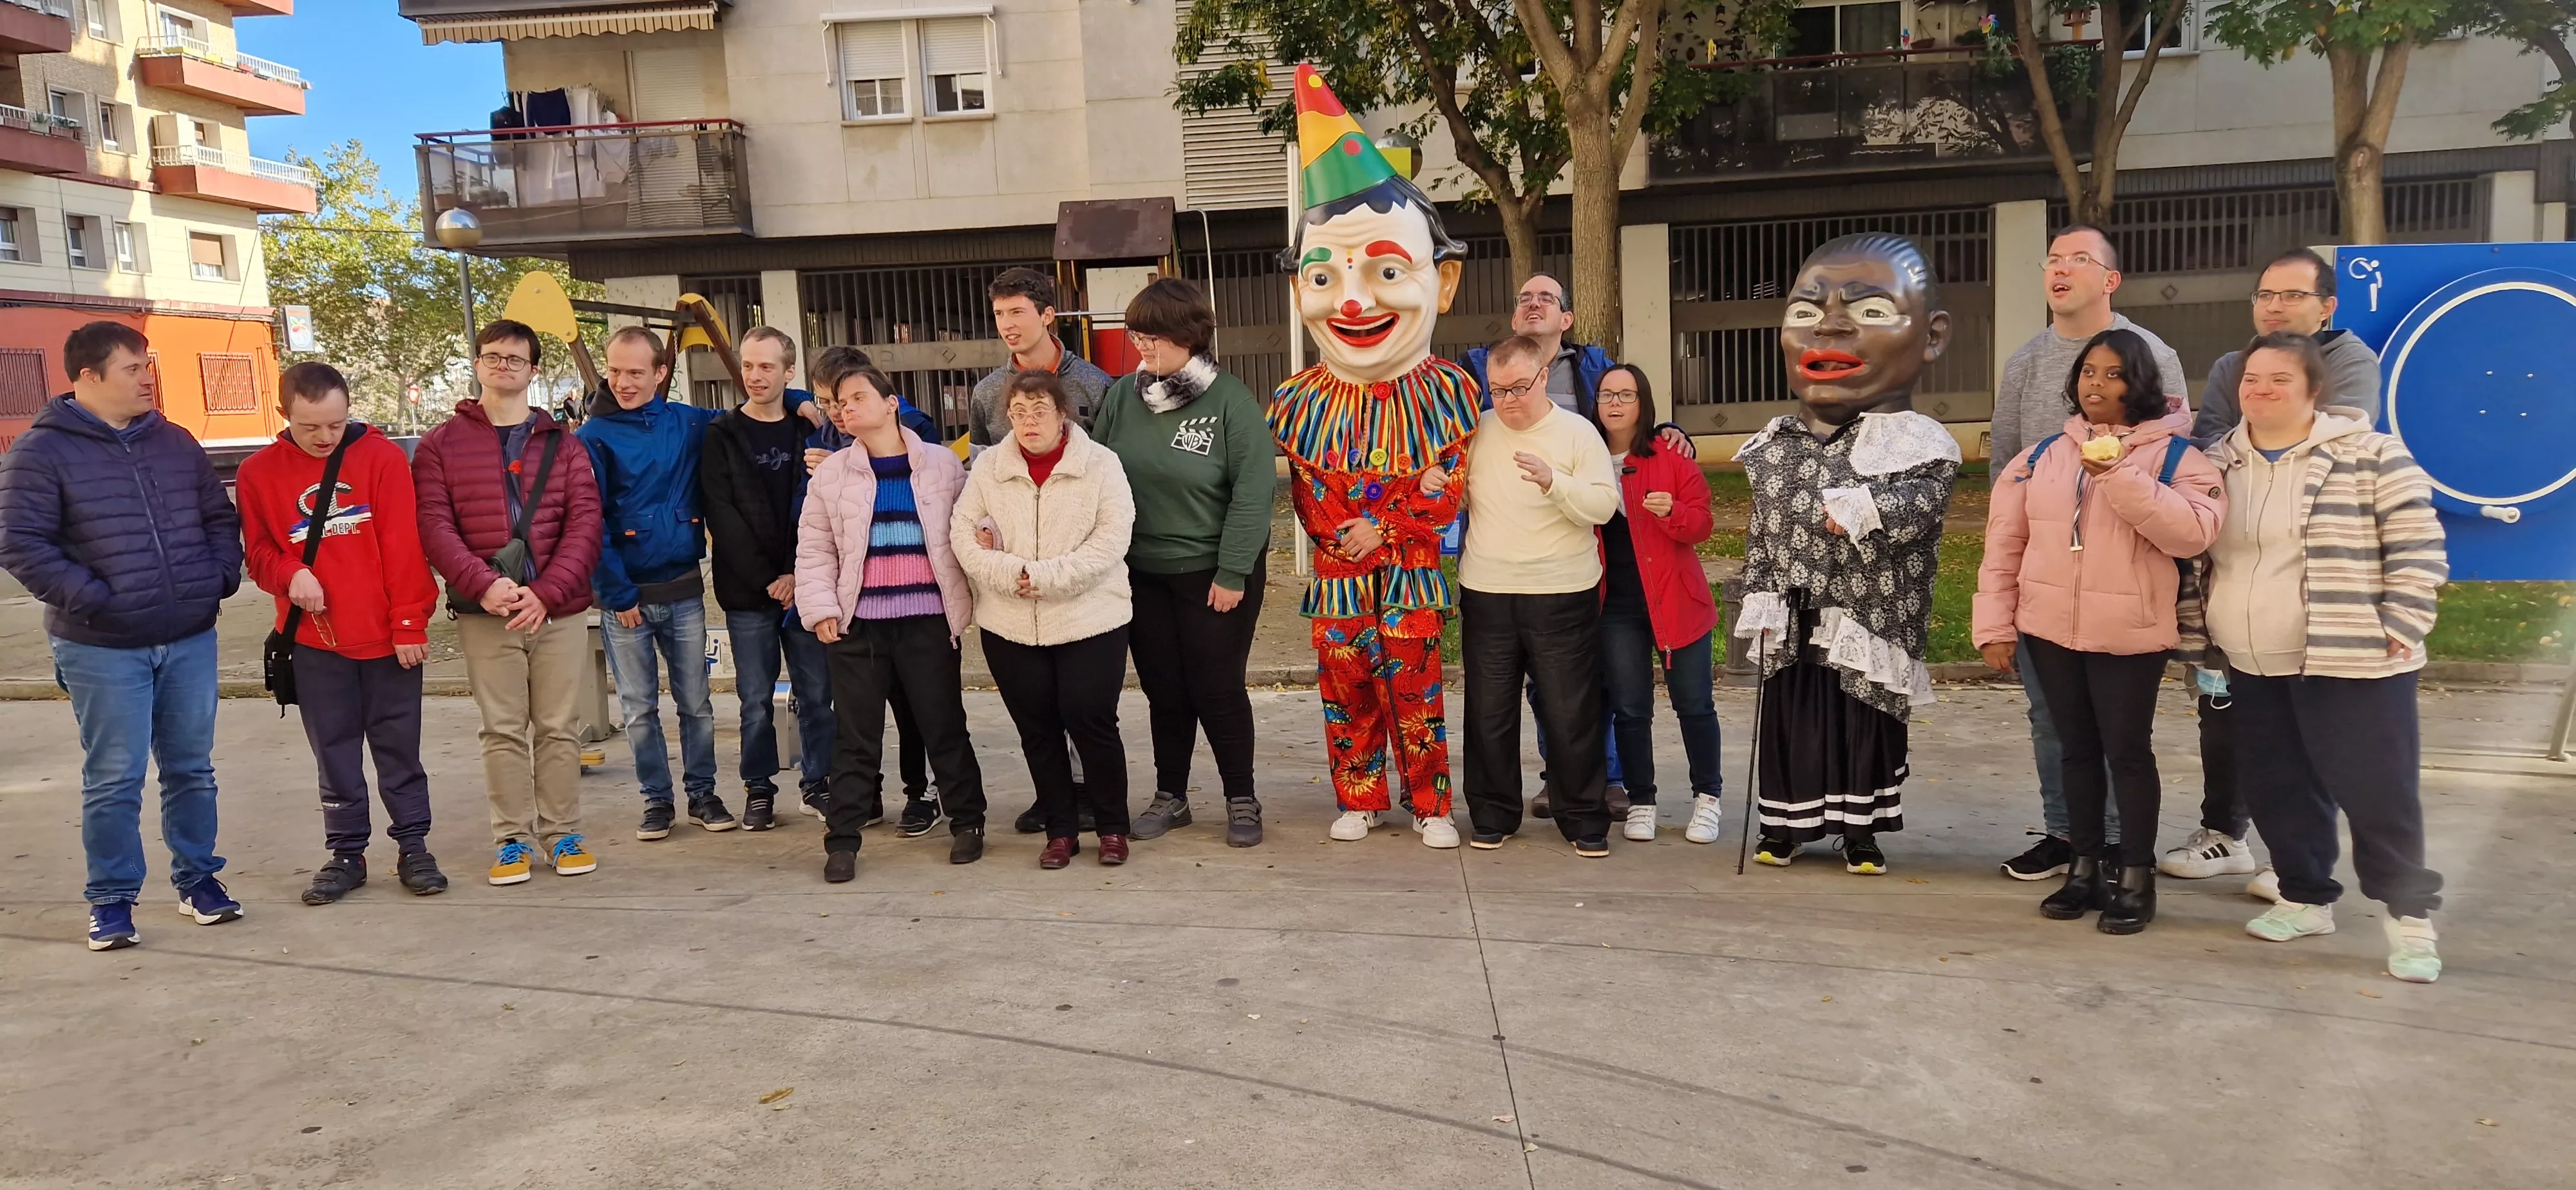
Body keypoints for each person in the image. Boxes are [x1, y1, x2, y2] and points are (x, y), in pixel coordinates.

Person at [2178, 330, 2449, 982]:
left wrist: (2403, 620)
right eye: (2251, 380)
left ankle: (2410, 920)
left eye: (2279, 380)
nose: (2261, 391)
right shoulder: (2216, 465)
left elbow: (2418, 546)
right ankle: (2304, 896)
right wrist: (2197, 634)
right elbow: (2196, 556)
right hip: (2250, 657)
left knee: (2377, 793)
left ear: (2313, 390)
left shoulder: (2371, 454)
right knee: (2278, 786)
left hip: (2351, 656)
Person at [1266, 66, 1480, 849]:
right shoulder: (1295, 401)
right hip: (1337, 578)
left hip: (1413, 568)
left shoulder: (1453, 391)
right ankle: (1360, 795)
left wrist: (1383, 531)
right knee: (1346, 687)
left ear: (1441, 280)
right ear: (1301, 291)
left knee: (1417, 690)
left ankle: (1429, 805)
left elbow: (1445, 488)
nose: (1353, 302)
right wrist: (1348, 536)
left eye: (1386, 272)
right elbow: (1308, 492)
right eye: (1325, 277)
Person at [0, 321, 243, 950]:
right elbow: (20, 543)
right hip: (100, 645)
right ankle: (111, 901)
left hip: (189, 634)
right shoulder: (40, 452)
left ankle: (199, 882)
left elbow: (218, 516)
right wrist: (95, 598)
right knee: (115, 775)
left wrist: (216, 578)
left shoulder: (176, 441)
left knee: (192, 768)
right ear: (88, 376)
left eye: (147, 366)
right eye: (133, 368)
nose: (147, 378)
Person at [1975, 329, 2224, 933]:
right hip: (2048, 628)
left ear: (2138, 383)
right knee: (2076, 752)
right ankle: (2082, 867)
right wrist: (1995, 625)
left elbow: (2193, 533)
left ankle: (2135, 875)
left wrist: (2117, 475)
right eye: (2089, 372)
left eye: (2113, 374)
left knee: (2127, 755)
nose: (2096, 384)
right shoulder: (2039, 456)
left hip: (2130, 634)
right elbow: (2005, 545)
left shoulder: (2176, 458)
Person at [1736, 233, 1959, 876]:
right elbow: (1763, 532)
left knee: (1862, 719)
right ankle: (1786, 826)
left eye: (1867, 310)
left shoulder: (1919, 442)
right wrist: (1761, 593)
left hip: (1869, 617)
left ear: (1932, 336)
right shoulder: (1774, 443)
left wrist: (1864, 511)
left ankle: (1859, 833)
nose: (1829, 326)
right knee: (1795, 718)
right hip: (1796, 615)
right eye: (1805, 313)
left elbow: (1920, 506)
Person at [2166, 247, 2383, 894]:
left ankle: (2296, 860)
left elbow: (2322, 439)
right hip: (2232, 568)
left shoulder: (2349, 362)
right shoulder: (2233, 365)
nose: (2275, 307)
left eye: (2291, 295)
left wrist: (2254, 442)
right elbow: (2209, 454)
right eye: (2265, 295)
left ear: (2326, 306)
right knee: (2224, 707)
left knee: (2306, 722)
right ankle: (2224, 835)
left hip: (2311, 574)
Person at [1990, 225, 2187, 883]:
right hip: (2048, 580)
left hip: (2124, 576)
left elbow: (2180, 456)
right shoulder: (2024, 362)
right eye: (2051, 258)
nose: (2060, 269)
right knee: (2054, 718)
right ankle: (2066, 834)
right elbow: (2005, 478)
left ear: (2110, 280)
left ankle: (2117, 845)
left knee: (2120, 733)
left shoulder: (2151, 352)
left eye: (2079, 258)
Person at [238, 363, 447, 903]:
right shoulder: (258, 473)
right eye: (311, 427)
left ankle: (414, 847)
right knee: (334, 753)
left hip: (388, 638)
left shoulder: (380, 458)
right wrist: (291, 574)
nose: (326, 437)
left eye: (336, 423)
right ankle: (347, 853)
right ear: (285, 416)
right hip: (314, 642)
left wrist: (409, 621)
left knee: (399, 749)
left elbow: (404, 546)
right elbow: (258, 554)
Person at [415, 319, 605, 886]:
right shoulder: (439, 446)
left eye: (514, 359)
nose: (502, 366)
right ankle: (511, 840)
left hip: (557, 608)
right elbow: (434, 524)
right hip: (487, 611)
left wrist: (546, 593)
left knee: (558, 726)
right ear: (476, 364)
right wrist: (483, 584)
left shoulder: (564, 445)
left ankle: (563, 832)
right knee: (501, 728)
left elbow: (586, 524)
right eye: (492, 356)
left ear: (534, 370)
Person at [1088, 278, 1276, 847]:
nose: (1142, 347)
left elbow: (1253, 491)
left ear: (1189, 335)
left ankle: (1241, 798)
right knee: (1163, 689)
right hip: (1142, 573)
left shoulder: (1230, 401)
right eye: (1136, 336)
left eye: (1153, 337)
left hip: (1212, 572)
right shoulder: (1123, 396)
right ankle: (1172, 796)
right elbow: (1098, 473)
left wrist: (1232, 571)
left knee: (1216, 687)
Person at [797, 350, 988, 881]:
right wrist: (821, 611)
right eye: (838, 403)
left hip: (929, 620)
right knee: (855, 736)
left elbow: (969, 529)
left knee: (944, 725)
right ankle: (843, 840)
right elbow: (815, 549)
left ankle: (968, 822)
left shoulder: (943, 465)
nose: (845, 410)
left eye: (858, 398)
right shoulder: (832, 473)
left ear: (890, 403)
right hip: (858, 626)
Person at [953, 370, 1139, 867]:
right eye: (1018, 412)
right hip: (1010, 622)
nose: (1029, 421)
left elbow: (1110, 540)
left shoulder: (1102, 464)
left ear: (1063, 414)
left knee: (1090, 719)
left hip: (1089, 618)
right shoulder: (989, 466)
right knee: (1036, 728)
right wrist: (1010, 573)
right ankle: (1060, 830)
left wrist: (1045, 577)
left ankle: (1112, 827)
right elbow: (963, 533)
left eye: (1040, 410)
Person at [1456, 334, 1623, 855]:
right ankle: (1492, 813)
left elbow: (1603, 506)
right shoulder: (1475, 430)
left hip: (1561, 590)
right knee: (1488, 710)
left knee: (1570, 710)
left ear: (1544, 376)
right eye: (1498, 390)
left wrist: (1555, 482)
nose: (1508, 400)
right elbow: (1456, 493)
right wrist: (1445, 484)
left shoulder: (1577, 433)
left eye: (1519, 388)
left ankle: (1583, 819)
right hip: (1487, 588)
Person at [966, 266, 1115, 834]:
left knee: (1084, 700)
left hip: (1079, 568)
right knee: (1036, 703)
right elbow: (981, 475)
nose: (1007, 324)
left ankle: (1098, 798)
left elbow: (1110, 475)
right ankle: (1055, 796)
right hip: (1014, 569)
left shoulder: (1095, 385)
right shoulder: (987, 392)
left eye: (1018, 312)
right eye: (1000, 314)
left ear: (1047, 315)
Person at [583, 327, 740, 838]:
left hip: (684, 591)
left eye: (635, 372)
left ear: (660, 373)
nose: (623, 382)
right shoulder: (592, 438)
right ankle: (656, 801)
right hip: (626, 601)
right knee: (639, 710)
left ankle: (703, 794)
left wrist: (803, 403)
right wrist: (616, 592)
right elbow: (590, 522)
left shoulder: (689, 423)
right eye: (615, 371)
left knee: (696, 702)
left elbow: (756, 413)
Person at [702, 326, 838, 833]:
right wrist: (770, 579)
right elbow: (723, 515)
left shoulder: (811, 430)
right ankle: (759, 789)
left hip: (806, 587)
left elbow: (820, 510)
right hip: (748, 593)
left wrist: (797, 574)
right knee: (755, 700)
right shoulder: (720, 433)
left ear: (788, 372)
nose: (754, 376)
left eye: (766, 366)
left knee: (818, 694)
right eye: (748, 366)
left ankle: (819, 783)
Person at [802, 348, 941, 831]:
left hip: (917, 604)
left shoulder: (915, 430)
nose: (838, 412)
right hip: (856, 603)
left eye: (845, 399)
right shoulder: (827, 439)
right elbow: (818, 535)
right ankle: (865, 796)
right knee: (858, 717)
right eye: (827, 403)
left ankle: (922, 792)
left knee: (918, 710)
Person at [1588, 364, 1726, 846]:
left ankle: (1707, 799)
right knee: (1630, 708)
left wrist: (1674, 514)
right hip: (1617, 607)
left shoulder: (1669, 454)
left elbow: (1703, 524)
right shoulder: (1582, 455)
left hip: (1676, 600)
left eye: (1626, 394)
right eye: (1607, 394)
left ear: (1643, 402)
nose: (1616, 403)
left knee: (1694, 705)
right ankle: (1641, 800)